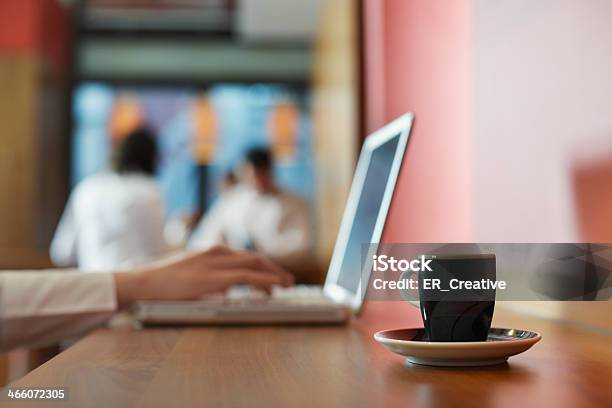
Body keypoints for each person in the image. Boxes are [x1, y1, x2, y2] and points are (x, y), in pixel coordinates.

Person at [0, 246, 293, 351]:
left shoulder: (88, 188)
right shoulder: (152, 191)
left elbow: (61, 250)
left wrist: (142, 281)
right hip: (120, 302)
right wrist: (142, 281)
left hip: (110, 304)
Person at [50, 128, 168, 272]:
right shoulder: (148, 190)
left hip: (92, 285)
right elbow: (159, 252)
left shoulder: (87, 188)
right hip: (136, 286)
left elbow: (62, 252)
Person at [189, 148, 313, 268]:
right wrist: (221, 247)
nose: (257, 181)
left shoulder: (294, 203)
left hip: (277, 271)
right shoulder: (232, 200)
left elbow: (302, 246)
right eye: (251, 176)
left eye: (261, 175)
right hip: (232, 272)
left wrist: (261, 250)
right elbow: (202, 237)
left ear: (270, 171)